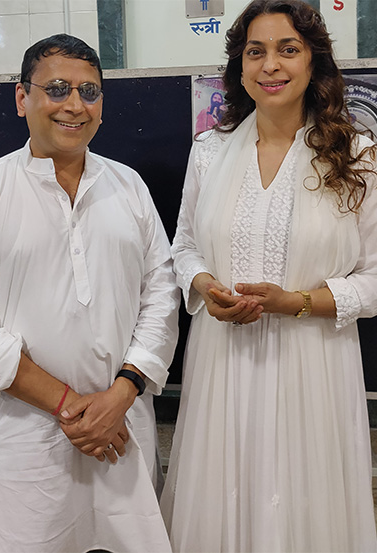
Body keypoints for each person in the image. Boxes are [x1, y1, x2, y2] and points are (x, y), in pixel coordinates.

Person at [161, 1, 377, 551]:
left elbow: (375, 278)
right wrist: (204, 285)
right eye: (255, 51)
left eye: (288, 49)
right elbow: (184, 246)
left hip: (314, 369)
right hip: (222, 364)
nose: (271, 65)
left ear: (313, 62)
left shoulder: (356, 156)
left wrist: (296, 301)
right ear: (239, 67)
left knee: (306, 503)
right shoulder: (209, 151)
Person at [0, 34, 179, 553]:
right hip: (23, 443)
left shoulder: (128, 186)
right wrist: (73, 407)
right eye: (57, 89)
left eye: (89, 91)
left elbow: (162, 293)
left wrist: (124, 390)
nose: (74, 105)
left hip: (122, 429)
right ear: (21, 98)